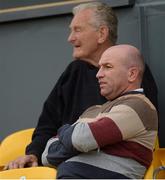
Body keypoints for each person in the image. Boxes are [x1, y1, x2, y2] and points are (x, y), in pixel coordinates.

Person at [5, 2, 158, 170]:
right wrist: (34, 153)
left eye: (77, 29)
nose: (70, 38)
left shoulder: (133, 74)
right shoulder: (74, 72)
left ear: (101, 34)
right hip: (62, 165)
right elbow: (47, 125)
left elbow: (127, 138)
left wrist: (69, 138)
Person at [42, 44, 158, 179]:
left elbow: (81, 139)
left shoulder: (139, 106)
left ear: (131, 74)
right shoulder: (93, 110)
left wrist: (64, 131)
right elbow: (47, 156)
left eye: (107, 67)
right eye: (99, 68)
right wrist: (83, 141)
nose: (98, 74)